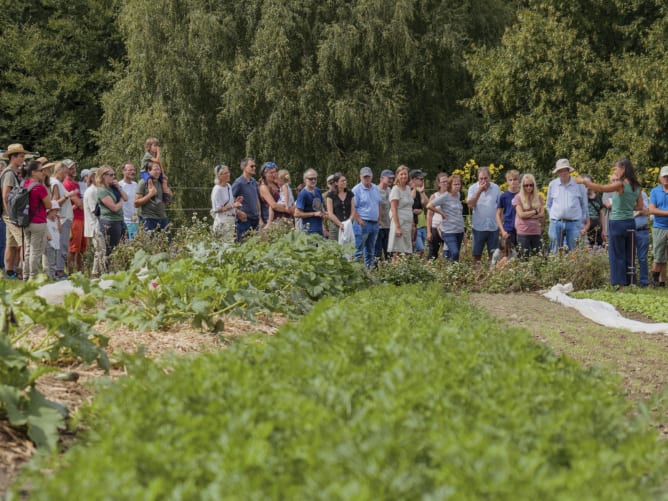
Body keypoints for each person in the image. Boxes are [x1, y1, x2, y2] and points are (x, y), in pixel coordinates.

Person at [576, 158, 642, 288]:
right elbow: (640, 207)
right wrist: (627, 206)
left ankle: (620, 284)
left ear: (623, 169)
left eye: (616, 168)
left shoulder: (621, 185)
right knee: (629, 253)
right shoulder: (637, 187)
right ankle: (631, 282)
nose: (615, 171)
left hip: (617, 223)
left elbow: (602, 188)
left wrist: (585, 181)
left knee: (617, 254)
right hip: (630, 223)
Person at [546, 158, 589, 252]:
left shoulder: (579, 184)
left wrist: (582, 223)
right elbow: (548, 204)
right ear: (557, 172)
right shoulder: (552, 185)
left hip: (574, 223)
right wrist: (552, 218)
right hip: (556, 223)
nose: (563, 173)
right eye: (560, 171)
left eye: (565, 170)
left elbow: (584, 205)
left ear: (569, 170)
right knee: (555, 252)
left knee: (574, 253)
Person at [1, 144, 29, 278]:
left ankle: (9, 272)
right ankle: (22, 272)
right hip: (11, 215)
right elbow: (5, 196)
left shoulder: (15, 172)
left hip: (11, 214)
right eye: (21, 156)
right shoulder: (9, 174)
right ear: (13, 157)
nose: (23, 159)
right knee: (24, 242)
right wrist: (12, 217)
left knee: (11, 244)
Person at [21, 161, 52, 280]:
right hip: (38, 222)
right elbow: (48, 205)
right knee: (36, 251)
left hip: (26, 221)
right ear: (33, 172)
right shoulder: (39, 187)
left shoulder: (24, 184)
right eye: (40, 170)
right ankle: (33, 278)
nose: (43, 173)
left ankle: (26, 275)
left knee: (28, 250)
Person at [427, 174, 465, 261]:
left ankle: (451, 271)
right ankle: (450, 269)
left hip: (459, 230)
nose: (457, 186)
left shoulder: (458, 195)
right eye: (455, 184)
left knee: (455, 255)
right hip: (448, 230)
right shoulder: (445, 196)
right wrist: (441, 213)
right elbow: (429, 205)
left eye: (459, 184)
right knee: (454, 252)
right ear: (450, 185)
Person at [467, 166, 501, 265]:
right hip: (478, 227)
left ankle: (491, 276)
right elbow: (470, 205)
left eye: (485, 178)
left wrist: (500, 225)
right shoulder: (473, 188)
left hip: (493, 227)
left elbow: (500, 208)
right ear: (478, 178)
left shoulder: (496, 188)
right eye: (481, 178)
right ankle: (477, 277)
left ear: (489, 177)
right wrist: (479, 191)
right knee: (476, 255)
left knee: (493, 255)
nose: (483, 181)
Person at [352, 166, 382, 268]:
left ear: (372, 177)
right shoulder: (356, 190)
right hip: (362, 223)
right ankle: (355, 273)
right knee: (357, 251)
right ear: (360, 177)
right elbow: (353, 207)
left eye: (368, 176)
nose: (366, 178)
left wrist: (379, 218)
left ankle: (369, 273)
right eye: (364, 177)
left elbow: (378, 203)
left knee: (370, 251)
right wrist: (359, 220)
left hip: (374, 224)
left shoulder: (375, 188)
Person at [96, 165, 128, 256]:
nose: (113, 177)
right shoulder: (102, 191)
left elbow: (126, 197)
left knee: (123, 247)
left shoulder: (113, 188)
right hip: (110, 223)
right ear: (103, 176)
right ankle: (109, 269)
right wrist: (121, 200)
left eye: (114, 174)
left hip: (119, 221)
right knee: (111, 250)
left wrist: (119, 187)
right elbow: (114, 208)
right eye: (111, 175)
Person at [50, 161, 74, 279]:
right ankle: (59, 271)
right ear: (58, 171)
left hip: (64, 217)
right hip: (62, 218)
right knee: (62, 245)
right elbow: (54, 202)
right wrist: (67, 196)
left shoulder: (56, 182)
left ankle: (57, 269)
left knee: (62, 244)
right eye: (64, 173)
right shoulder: (55, 183)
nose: (65, 176)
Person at [63, 159, 86, 274]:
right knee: (73, 248)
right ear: (65, 169)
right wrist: (80, 204)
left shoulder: (77, 183)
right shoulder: (66, 184)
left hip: (82, 218)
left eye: (74, 167)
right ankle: (71, 273)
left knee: (82, 248)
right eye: (70, 168)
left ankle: (80, 272)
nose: (73, 169)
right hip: (74, 219)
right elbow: (81, 204)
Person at [512, 173, 545, 258]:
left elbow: (542, 214)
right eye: (526, 185)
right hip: (523, 232)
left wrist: (529, 215)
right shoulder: (518, 197)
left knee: (539, 258)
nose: (529, 187)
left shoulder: (538, 197)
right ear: (523, 186)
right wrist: (535, 212)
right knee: (524, 258)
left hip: (536, 232)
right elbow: (521, 215)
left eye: (531, 185)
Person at [135, 160, 172, 232]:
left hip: (163, 218)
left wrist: (166, 187)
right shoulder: (143, 182)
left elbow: (168, 201)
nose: (158, 172)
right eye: (155, 169)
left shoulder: (161, 182)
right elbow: (136, 203)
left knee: (166, 242)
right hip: (148, 219)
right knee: (149, 243)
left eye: (159, 169)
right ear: (149, 170)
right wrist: (150, 195)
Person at [232, 157, 263, 242]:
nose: (254, 168)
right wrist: (238, 212)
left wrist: (259, 216)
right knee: (243, 247)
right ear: (244, 167)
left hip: (255, 220)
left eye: (255, 166)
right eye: (251, 166)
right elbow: (230, 200)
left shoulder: (253, 181)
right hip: (244, 221)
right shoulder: (239, 183)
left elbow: (256, 198)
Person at [211, 164, 242, 243]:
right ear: (219, 176)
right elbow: (217, 209)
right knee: (223, 246)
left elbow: (229, 203)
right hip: (222, 221)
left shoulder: (228, 186)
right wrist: (233, 205)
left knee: (229, 245)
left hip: (231, 220)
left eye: (228, 172)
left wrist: (236, 201)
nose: (228, 175)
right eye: (225, 173)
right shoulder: (217, 189)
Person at [388, 165, 414, 259]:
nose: (404, 176)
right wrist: (398, 227)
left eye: (405, 174)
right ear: (397, 176)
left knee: (406, 252)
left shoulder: (407, 188)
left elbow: (409, 207)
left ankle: (404, 273)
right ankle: (395, 273)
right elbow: (393, 209)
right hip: (399, 223)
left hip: (407, 224)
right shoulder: (395, 189)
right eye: (401, 174)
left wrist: (413, 225)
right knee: (397, 252)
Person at [83, 167, 105, 277]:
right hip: (95, 224)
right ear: (92, 178)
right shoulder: (91, 191)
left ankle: (97, 272)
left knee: (100, 250)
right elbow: (95, 211)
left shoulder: (98, 190)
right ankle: (97, 272)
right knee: (100, 250)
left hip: (99, 224)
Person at [648, 166, 668, 287]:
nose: (666, 179)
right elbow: (652, 210)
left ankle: (662, 283)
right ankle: (654, 282)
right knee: (658, 255)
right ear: (660, 178)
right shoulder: (655, 191)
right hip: (659, 226)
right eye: (665, 176)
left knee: (664, 257)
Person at [326, 173, 360, 243]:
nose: (345, 182)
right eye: (342, 181)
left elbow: (353, 211)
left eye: (345, 180)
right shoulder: (330, 195)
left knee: (347, 250)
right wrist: (340, 224)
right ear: (336, 183)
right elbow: (330, 213)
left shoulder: (350, 194)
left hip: (348, 227)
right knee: (334, 250)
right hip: (335, 227)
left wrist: (348, 223)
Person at [294, 168, 327, 236]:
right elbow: (297, 214)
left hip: (319, 228)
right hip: (308, 230)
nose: (313, 180)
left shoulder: (317, 190)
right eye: (311, 179)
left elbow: (320, 206)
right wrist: (314, 214)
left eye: (315, 178)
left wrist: (324, 213)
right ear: (305, 180)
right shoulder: (303, 194)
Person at [258, 161, 291, 226]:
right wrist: (289, 210)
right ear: (264, 174)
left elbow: (288, 196)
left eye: (275, 172)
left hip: (285, 218)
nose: (274, 174)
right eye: (271, 172)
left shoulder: (278, 184)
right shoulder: (264, 187)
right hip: (274, 221)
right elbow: (274, 205)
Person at [426, 173, 448, 260]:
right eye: (443, 182)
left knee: (448, 254)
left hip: (448, 228)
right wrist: (429, 231)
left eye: (447, 181)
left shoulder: (452, 195)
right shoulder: (434, 196)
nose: (445, 183)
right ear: (439, 183)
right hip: (435, 227)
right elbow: (429, 215)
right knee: (432, 254)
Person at [496, 169, 520, 247]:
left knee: (522, 254)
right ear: (507, 181)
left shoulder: (522, 195)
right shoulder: (503, 196)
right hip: (508, 229)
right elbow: (498, 214)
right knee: (508, 255)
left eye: (515, 179)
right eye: (510, 180)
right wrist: (502, 231)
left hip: (521, 228)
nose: (513, 182)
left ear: (518, 180)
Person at [375, 169, 394, 260]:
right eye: (388, 178)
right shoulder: (375, 190)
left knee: (389, 251)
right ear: (381, 178)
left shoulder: (391, 190)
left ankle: (388, 272)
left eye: (392, 178)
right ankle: (374, 271)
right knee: (377, 252)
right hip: (378, 226)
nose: (391, 180)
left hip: (389, 225)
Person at [410, 169, 429, 256]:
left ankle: (417, 268)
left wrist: (422, 192)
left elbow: (426, 204)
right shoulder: (407, 189)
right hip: (409, 226)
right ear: (414, 179)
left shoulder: (418, 192)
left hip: (417, 225)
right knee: (419, 249)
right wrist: (413, 211)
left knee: (419, 251)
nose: (422, 181)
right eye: (421, 179)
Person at [633, 190, 650, 286]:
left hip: (642, 230)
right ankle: (632, 282)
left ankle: (644, 282)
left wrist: (635, 214)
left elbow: (646, 211)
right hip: (629, 231)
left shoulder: (642, 194)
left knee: (642, 258)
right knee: (630, 258)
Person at [583, 175, 605, 248]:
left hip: (598, 232)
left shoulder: (598, 196)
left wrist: (604, 230)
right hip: (586, 231)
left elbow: (602, 214)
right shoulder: (581, 197)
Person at [119, 161, 139, 239]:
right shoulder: (119, 185)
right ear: (123, 171)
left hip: (135, 220)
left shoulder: (136, 184)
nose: (133, 172)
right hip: (125, 221)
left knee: (135, 245)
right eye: (130, 170)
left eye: (133, 170)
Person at [45, 200, 61, 280]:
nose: (56, 213)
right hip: (50, 244)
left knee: (54, 260)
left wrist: (59, 221)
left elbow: (60, 230)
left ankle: (52, 275)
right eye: (55, 211)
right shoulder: (45, 221)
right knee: (51, 262)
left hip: (56, 243)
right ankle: (52, 277)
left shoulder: (56, 220)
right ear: (50, 211)